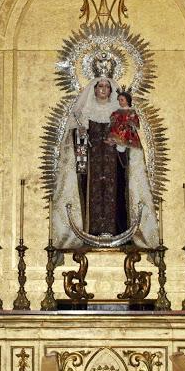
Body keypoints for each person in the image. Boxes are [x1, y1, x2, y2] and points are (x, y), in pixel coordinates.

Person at [52, 76, 159, 250]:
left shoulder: (119, 114)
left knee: (117, 198)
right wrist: (79, 134)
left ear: (112, 91)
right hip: (90, 172)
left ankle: (120, 233)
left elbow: (132, 147)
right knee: (89, 197)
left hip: (115, 169)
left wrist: (122, 142)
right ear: (94, 90)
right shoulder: (85, 114)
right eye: (99, 86)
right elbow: (74, 151)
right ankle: (87, 233)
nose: (102, 89)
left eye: (106, 87)